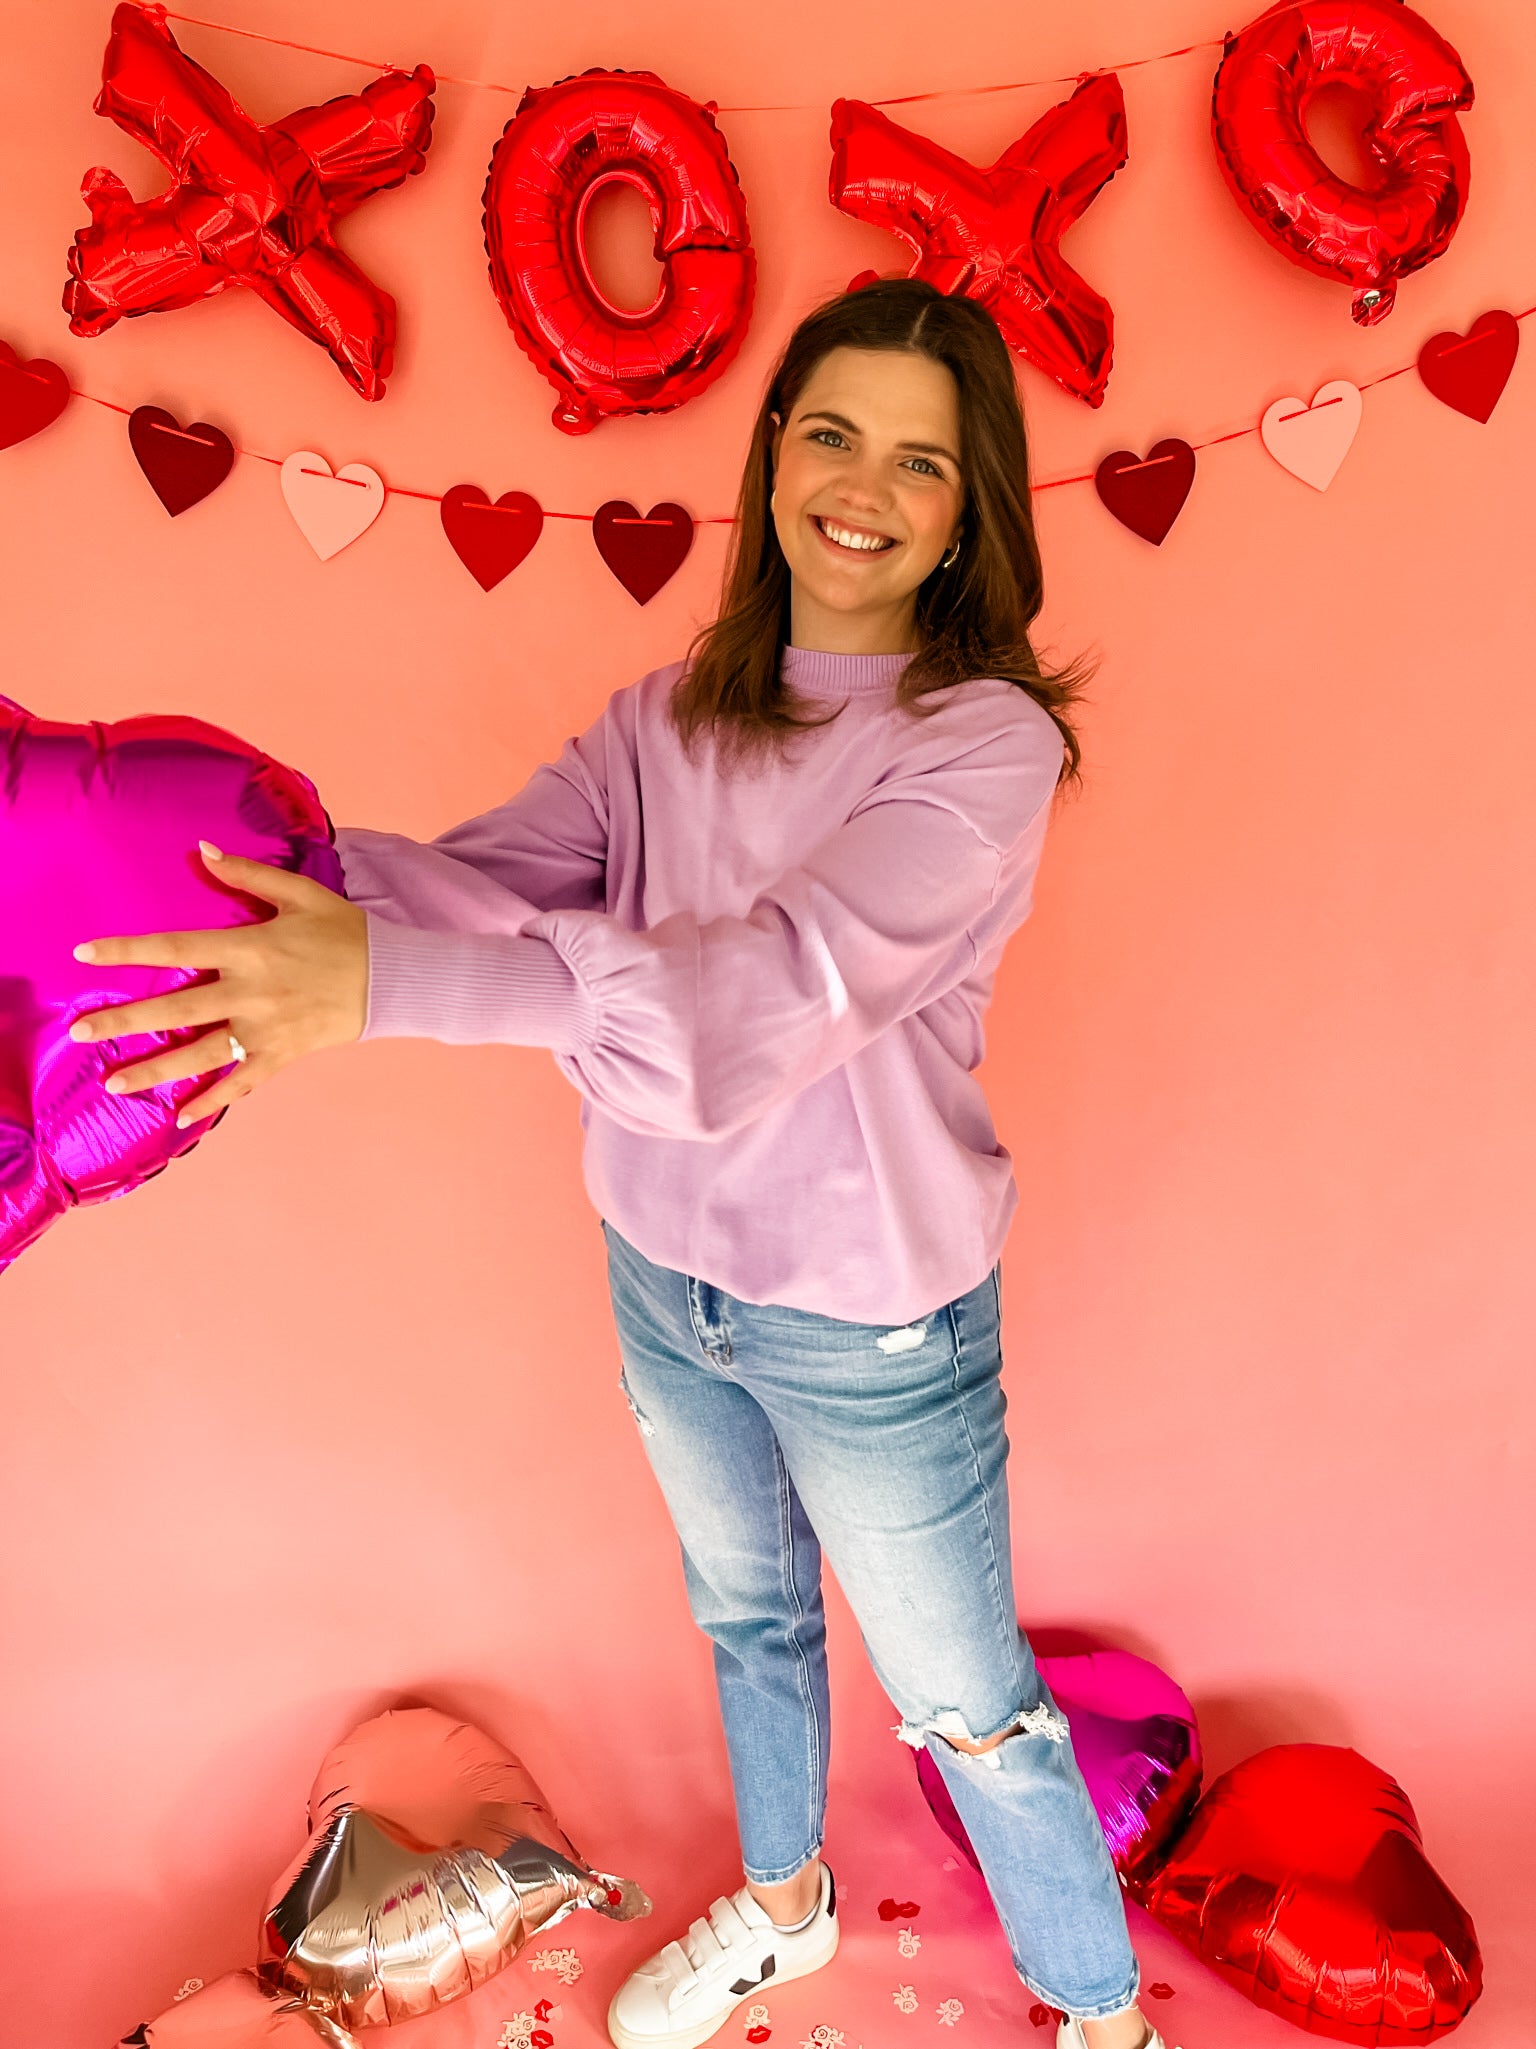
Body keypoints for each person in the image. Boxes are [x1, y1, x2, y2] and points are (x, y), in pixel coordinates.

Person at [69, 278, 1175, 2049]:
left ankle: (1098, 2007)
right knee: (750, 1621)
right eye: (829, 432)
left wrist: (386, 990)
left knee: (971, 1706)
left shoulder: (986, 748)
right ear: (770, 453)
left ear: (975, 511)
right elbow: (480, 881)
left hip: (875, 1330)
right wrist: (230, 876)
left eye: (922, 459)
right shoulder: (667, 715)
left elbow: (768, 996)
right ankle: (788, 1905)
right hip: (667, 1276)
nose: (862, 486)